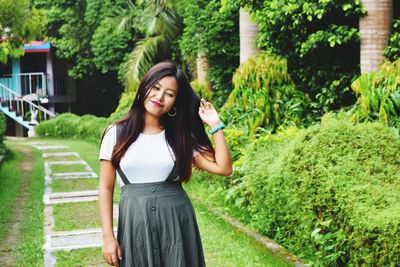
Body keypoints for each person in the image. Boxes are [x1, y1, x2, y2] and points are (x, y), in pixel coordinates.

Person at [98, 61, 232, 267]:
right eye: (156, 88)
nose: (160, 97)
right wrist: (108, 237)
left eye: (169, 94)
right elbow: (105, 189)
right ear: (144, 87)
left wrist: (215, 125)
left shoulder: (181, 137)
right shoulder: (116, 133)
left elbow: (223, 168)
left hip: (177, 223)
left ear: (175, 101)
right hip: (135, 224)